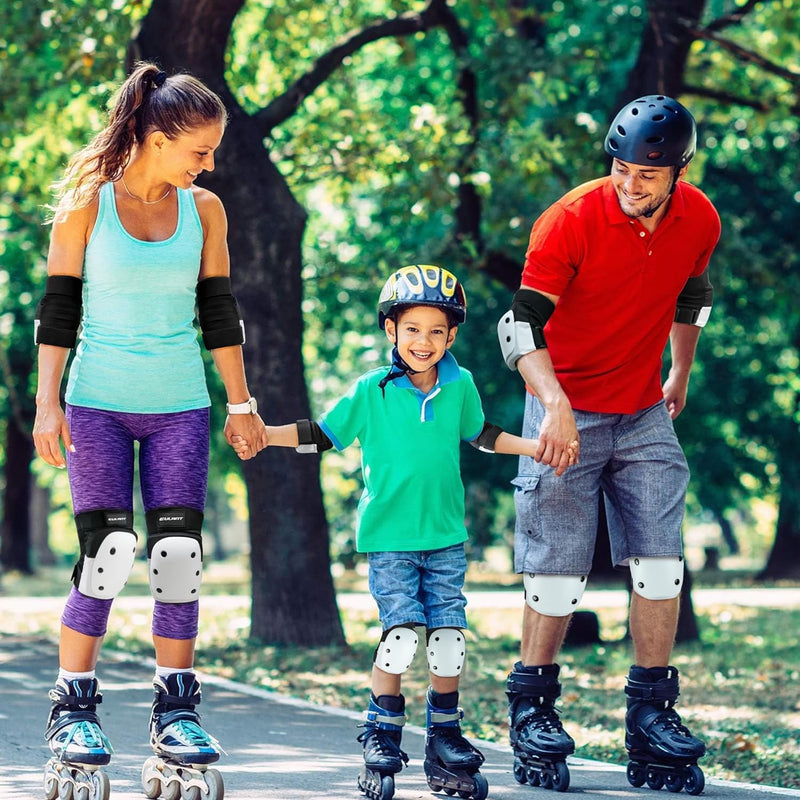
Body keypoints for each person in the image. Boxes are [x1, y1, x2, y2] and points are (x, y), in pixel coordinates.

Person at [32, 62, 265, 800]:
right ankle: (74, 704)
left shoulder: (206, 212)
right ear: (158, 138)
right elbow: (58, 312)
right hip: (98, 400)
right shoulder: (85, 208)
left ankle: (176, 708)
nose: (209, 163)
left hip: (179, 406)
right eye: (200, 150)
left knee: (177, 556)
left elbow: (220, 312)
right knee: (108, 552)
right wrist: (47, 403)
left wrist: (240, 403)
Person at [257, 264, 570, 800]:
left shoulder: (461, 384)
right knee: (402, 639)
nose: (423, 341)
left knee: (448, 642)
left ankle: (445, 737)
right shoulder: (371, 390)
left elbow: (483, 435)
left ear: (451, 336)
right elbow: (324, 434)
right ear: (390, 331)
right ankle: (382, 732)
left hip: (445, 538)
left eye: (435, 331)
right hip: (389, 541)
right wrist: (266, 436)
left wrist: (535, 444)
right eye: (411, 329)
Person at [497, 95, 720, 794]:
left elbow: (693, 294)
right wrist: (554, 404)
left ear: (679, 170)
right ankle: (533, 707)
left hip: (642, 407)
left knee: (661, 565)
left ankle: (651, 712)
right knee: (559, 570)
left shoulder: (700, 218)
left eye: (647, 175)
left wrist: (680, 368)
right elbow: (518, 328)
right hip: (563, 404)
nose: (630, 184)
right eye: (621, 169)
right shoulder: (569, 220)